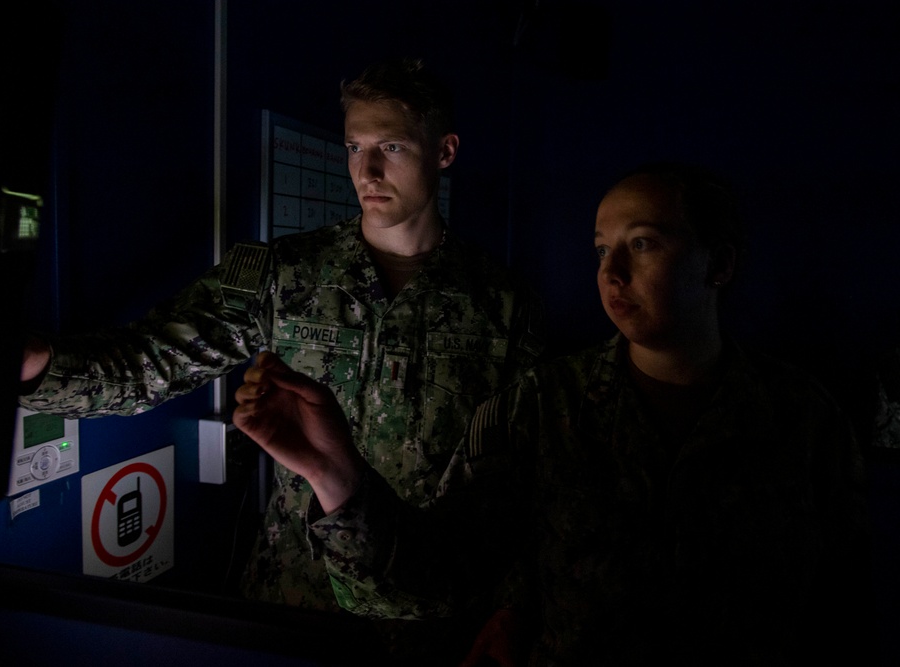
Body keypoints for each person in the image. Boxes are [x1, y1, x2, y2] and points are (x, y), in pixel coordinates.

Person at [233, 161, 875, 665]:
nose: (612, 271)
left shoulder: (802, 419)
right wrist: (336, 475)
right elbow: (436, 581)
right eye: (601, 249)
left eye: (643, 243)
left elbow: (844, 610)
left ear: (721, 264)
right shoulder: (541, 405)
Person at [19, 57, 545, 665]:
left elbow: (526, 477)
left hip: (431, 615)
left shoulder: (502, 303)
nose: (366, 171)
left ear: (445, 152)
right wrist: (37, 364)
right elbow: (152, 361)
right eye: (353, 147)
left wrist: (513, 606)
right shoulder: (287, 273)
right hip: (295, 601)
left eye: (391, 146)